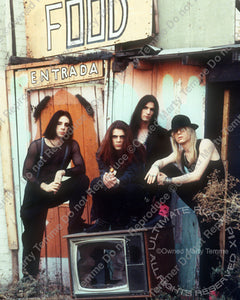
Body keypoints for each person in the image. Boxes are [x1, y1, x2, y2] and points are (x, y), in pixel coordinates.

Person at [145, 114, 225, 293]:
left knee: (209, 244)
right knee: (165, 167)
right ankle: (159, 208)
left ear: (191, 130)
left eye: (182, 129)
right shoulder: (180, 152)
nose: (178, 133)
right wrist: (154, 167)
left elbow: (196, 176)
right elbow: (162, 161)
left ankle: (212, 290)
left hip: (214, 202)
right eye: (175, 131)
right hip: (199, 199)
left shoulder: (205, 144)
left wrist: (168, 181)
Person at [21, 110, 89, 279]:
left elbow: (81, 168)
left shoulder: (71, 145)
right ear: (53, 124)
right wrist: (43, 185)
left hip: (54, 191)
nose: (63, 127)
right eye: (59, 123)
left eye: (66, 125)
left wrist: (62, 172)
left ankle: (75, 223)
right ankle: (29, 279)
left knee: (82, 180)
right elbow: (26, 172)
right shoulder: (38, 145)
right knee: (32, 238)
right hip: (35, 196)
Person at [130, 95, 182, 223]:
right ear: (139, 109)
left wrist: (157, 168)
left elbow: (169, 158)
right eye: (145, 108)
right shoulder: (128, 132)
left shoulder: (161, 133)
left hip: (154, 178)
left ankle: (163, 215)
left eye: (152, 109)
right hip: (134, 178)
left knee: (168, 172)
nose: (148, 112)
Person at [87, 120, 146, 232]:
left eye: (122, 137)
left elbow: (132, 174)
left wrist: (118, 182)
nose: (118, 140)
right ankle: (102, 221)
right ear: (110, 138)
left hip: (131, 192)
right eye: (115, 137)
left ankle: (133, 220)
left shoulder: (136, 149)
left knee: (132, 188)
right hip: (113, 191)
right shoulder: (103, 151)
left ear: (127, 138)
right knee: (96, 183)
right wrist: (105, 178)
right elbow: (103, 170)